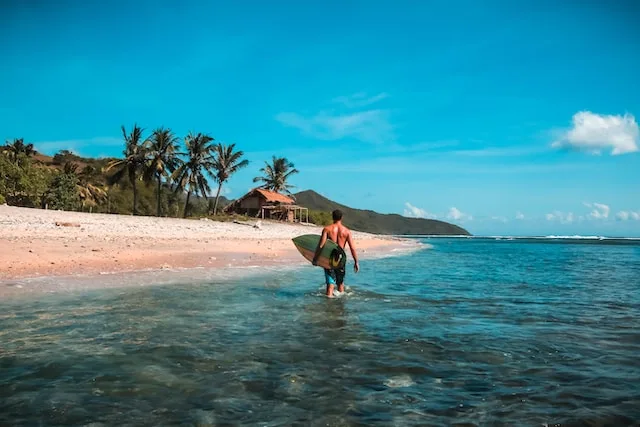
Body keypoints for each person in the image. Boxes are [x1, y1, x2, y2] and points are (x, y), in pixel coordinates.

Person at [312, 209, 359, 297]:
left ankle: (329, 304)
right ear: (341, 218)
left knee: (330, 284)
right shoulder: (347, 231)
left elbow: (321, 245)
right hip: (341, 258)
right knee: (340, 284)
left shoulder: (327, 229)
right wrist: (356, 262)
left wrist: (315, 258)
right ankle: (340, 305)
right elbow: (352, 248)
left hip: (329, 258)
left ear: (332, 217)